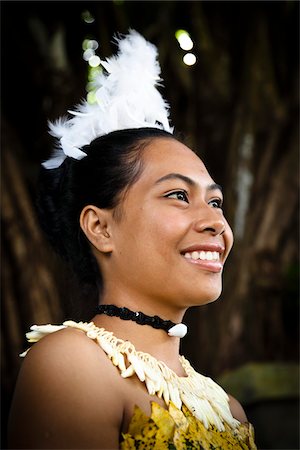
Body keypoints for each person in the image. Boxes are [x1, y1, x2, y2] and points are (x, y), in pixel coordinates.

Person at [8, 30, 256, 449]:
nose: (215, 221)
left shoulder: (229, 408)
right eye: (178, 195)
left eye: (216, 202)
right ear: (101, 228)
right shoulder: (74, 363)